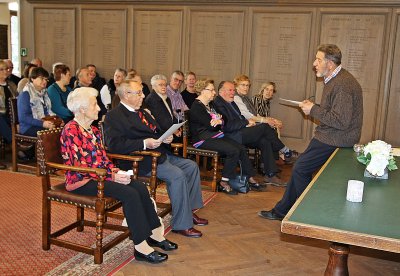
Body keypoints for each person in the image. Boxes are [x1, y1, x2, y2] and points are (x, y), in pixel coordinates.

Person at [61, 87, 176, 264]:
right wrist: (112, 177)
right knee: (129, 194)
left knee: (138, 186)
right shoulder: (71, 130)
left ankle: (153, 233)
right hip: (82, 180)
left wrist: (115, 171)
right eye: (94, 105)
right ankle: (141, 247)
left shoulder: (93, 130)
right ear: (82, 109)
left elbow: (102, 159)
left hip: (99, 176)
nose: (99, 108)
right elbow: (81, 167)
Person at [258, 44, 363, 220]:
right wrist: (313, 107)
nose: (314, 63)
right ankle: (286, 211)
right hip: (331, 135)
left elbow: (341, 121)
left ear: (329, 64)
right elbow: (334, 112)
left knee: (300, 168)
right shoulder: (336, 80)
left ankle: (304, 213)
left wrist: (313, 109)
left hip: (335, 138)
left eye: (318, 59)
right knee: (300, 168)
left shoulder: (342, 84)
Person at [104, 80, 207, 238]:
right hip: (142, 160)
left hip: (161, 154)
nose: (143, 95)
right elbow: (114, 145)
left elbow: (156, 131)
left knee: (191, 167)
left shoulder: (143, 112)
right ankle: (182, 224)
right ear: (126, 95)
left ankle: (188, 211)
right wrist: (144, 143)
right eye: (139, 93)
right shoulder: (114, 116)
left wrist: (165, 137)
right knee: (177, 175)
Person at [189, 79, 264, 194]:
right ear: (203, 91)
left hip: (214, 136)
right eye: (212, 90)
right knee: (233, 150)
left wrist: (218, 121)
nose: (214, 92)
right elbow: (212, 126)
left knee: (241, 148)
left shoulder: (209, 105)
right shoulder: (197, 107)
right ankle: (223, 182)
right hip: (202, 139)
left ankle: (248, 177)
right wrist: (218, 121)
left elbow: (222, 120)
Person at [213, 81, 286, 186]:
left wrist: (248, 124)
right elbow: (228, 125)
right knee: (265, 127)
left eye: (233, 90)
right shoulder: (218, 103)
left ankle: (270, 175)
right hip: (231, 136)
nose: (233, 92)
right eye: (230, 90)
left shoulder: (231, 101)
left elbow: (240, 117)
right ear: (221, 91)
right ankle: (284, 150)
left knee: (264, 141)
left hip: (241, 131)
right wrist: (246, 122)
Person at [233, 75, 297, 164]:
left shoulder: (247, 98)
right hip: (243, 129)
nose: (246, 87)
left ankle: (269, 165)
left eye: (247, 85)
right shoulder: (243, 98)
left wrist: (273, 121)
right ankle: (285, 152)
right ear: (236, 86)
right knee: (268, 128)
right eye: (243, 85)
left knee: (267, 138)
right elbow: (250, 116)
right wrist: (269, 121)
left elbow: (257, 115)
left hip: (251, 126)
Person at [17, 67, 56, 137]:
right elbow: (23, 117)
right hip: (28, 127)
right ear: (32, 78)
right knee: (50, 134)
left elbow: (48, 111)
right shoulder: (25, 94)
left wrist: (57, 121)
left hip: (42, 123)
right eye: (42, 78)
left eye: (46, 79)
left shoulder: (44, 93)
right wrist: (42, 124)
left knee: (61, 130)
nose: (45, 81)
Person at [145, 74, 182, 143]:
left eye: (165, 85)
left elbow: (171, 115)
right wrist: (174, 130)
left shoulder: (167, 98)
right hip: (160, 133)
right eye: (160, 85)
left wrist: (177, 127)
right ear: (153, 86)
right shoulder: (152, 99)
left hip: (169, 130)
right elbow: (160, 120)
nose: (164, 87)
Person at [0, 60, 18, 169]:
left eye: (6, 69)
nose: (5, 72)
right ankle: (13, 142)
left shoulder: (11, 84)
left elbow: (17, 100)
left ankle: (17, 145)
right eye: (1, 69)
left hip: (10, 114)